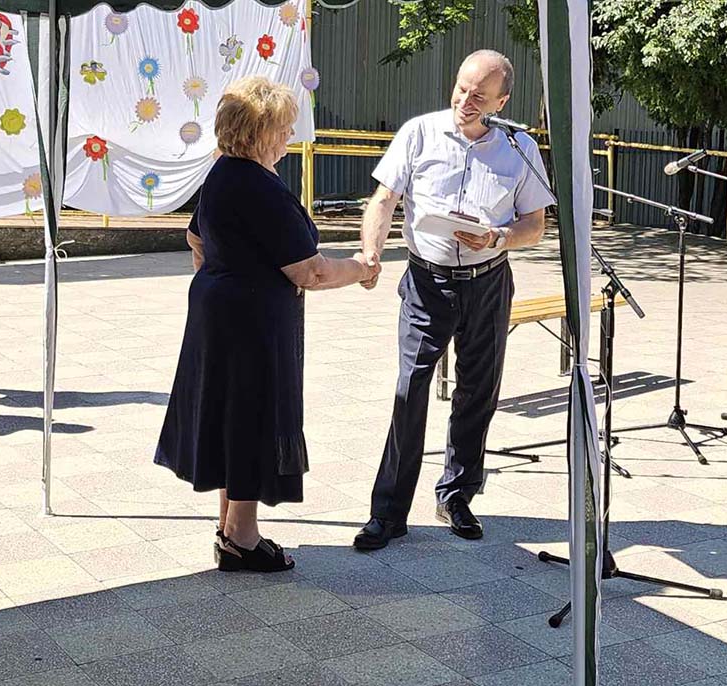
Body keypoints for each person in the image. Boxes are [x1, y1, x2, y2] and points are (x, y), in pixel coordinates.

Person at [155, 77, 379, 572]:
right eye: (282, 128)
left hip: (221, 312)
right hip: (252, 322)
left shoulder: (222, 173)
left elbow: (196, 240)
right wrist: (362, 269)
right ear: (258, 132)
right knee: (253, 417)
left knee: (231, 416)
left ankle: (229, 528)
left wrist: (224, 277)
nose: (289, 136)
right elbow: (310, 272)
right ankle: (242, 535)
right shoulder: (259, 186)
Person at [353, 49, 555, 550]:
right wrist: (371, 253)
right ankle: (388, 512)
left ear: (501, 102)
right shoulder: (419, 133)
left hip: (488, 282)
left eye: (480, 96)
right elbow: (384, 199)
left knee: (478, 390)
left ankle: (457, 495)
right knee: (410, 390)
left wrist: (499, 237)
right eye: (462, 89)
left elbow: (535, 225)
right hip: (426, 282)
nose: (466, 101)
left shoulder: (519, 148)